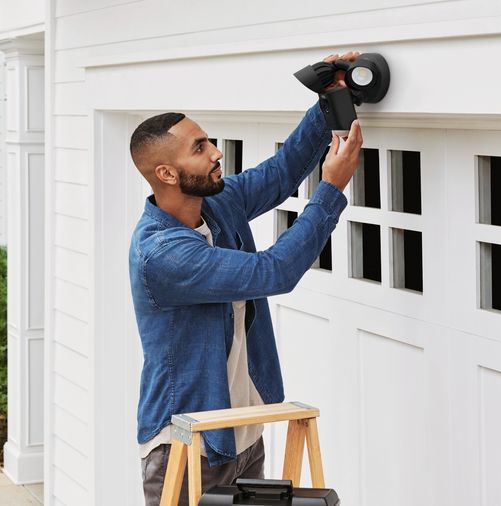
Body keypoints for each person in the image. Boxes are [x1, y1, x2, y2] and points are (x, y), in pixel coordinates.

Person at [128, 52, 365, 505]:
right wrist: (331, 189)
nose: (216, 152)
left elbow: (279, 175)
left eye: (209, 141)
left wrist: (331, 100)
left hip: (243, 433)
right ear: (166, 173)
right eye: (199, 148)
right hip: (189, 444)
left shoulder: (216, 204)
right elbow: (273, 271)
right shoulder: (161, 254)